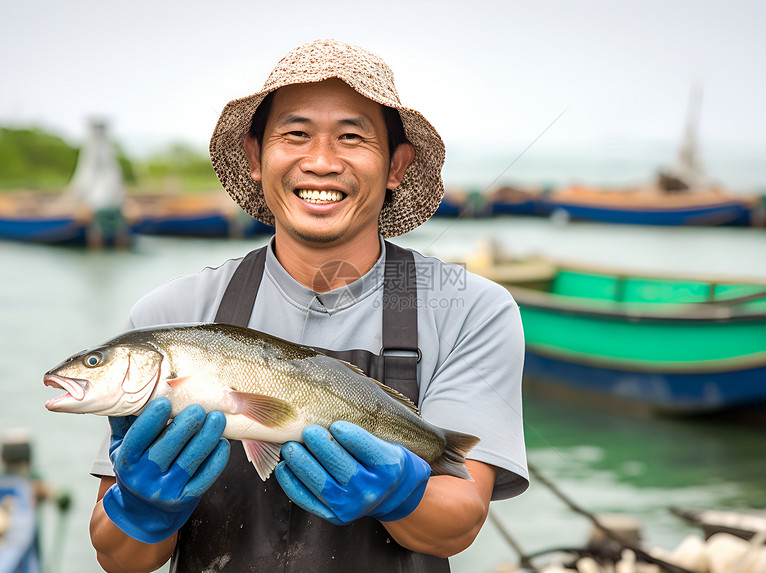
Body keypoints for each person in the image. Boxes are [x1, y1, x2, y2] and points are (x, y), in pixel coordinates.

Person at [89, 39, 529, 573]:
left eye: (352, 137)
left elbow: (459, 523)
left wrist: (402, 493)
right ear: (255, 157)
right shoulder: (169, 315)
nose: (321, 162)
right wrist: (143, 508)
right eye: (295, 134)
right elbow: (119, 559)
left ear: (396, 166)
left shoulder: (471, 311)